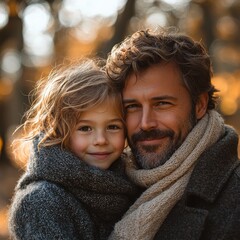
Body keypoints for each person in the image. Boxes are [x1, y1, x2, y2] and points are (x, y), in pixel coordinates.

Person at [106, 28, 240, 240]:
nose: (146, 123)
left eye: (162, 103)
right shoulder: (106, 189)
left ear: (199, 105)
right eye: (132, 106)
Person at [8, 58, 140, 240]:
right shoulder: (41, 201)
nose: (101, 140)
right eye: (85, 128)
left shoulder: (127, 183)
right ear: (59, 133)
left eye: (113, 127)